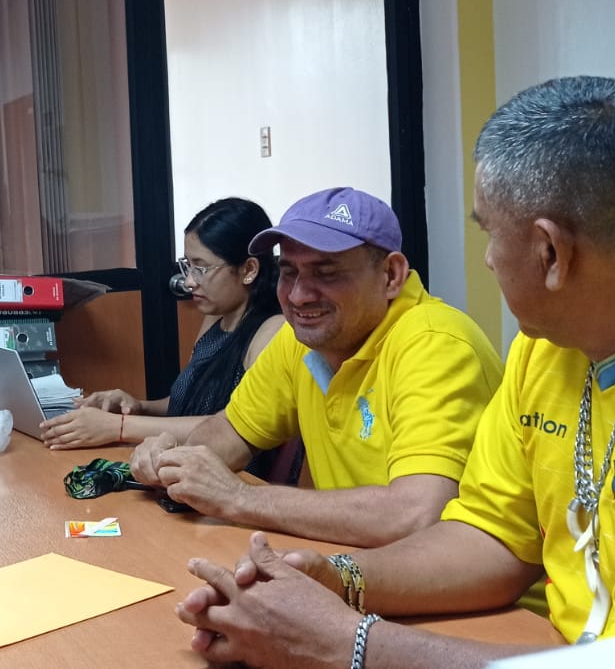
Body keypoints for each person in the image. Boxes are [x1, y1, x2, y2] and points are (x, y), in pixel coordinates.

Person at [176, 76, 615, 667]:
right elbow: (489, 535)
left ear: (550, 253)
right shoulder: (550, 345)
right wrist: (332, 579)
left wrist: (345, 643)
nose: (486, 259)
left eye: (489, 232)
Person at [131, 187, 503, 547]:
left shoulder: (435, 344)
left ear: (390, 275)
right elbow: (231, 431)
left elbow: (418, 515)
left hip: (455, 583)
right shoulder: (299, 339)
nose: (298, 296)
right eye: (289, 272)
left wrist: (239, 497)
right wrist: (175, 459)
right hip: (354, 565)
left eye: (326, 273)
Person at [39, 199, 285, 462]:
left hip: (227, 472)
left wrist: (118, 427)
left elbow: (230, 428)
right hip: (183, 461)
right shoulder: (216, 317)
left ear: (248, 269)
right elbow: (189, 403)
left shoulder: (272, 332)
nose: (189, 282)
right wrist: (138, 407)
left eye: (201, 268)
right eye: (188, 266)